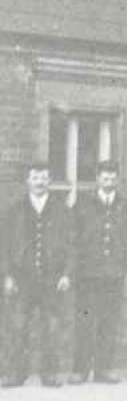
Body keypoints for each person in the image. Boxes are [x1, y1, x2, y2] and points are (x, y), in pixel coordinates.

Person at [2, 161, 73, 388]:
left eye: (44, 177)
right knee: (17, 326)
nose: (39, 182)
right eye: (35, 177)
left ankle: (49, 374)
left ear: (49, 181)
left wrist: (67, 274)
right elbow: (5, 246)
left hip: (51, 278)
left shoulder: (62, 210)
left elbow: (72, 245)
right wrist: (8, 276)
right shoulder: (15, 211)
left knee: (51, 326)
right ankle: (16, 373)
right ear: (28, 181)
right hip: (22, 278)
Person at [69, 161, 127, 385]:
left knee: (109, 322)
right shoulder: (83, 204)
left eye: (112, 178)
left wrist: (125, 267)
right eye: (105, 178)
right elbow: (73, 238)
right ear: (98, 179)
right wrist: (76, 269)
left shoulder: (126, 206)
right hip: (88, 274)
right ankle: (80, 369)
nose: (109, 182)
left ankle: (104, 368)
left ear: (117, 180)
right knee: (85, 321)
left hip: (114, 274)